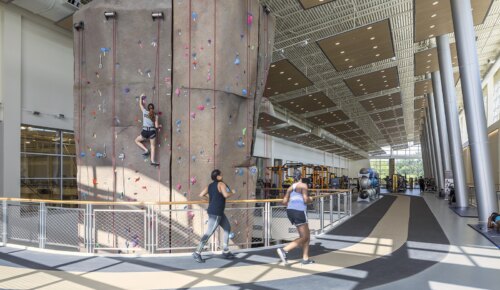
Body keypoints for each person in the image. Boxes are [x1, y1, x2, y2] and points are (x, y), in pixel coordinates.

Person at [192, 169, 236, 263]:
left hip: (217, 211)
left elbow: (201, 195)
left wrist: (212, 198)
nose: (222, 175)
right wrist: (232, 192)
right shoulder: (221, 184)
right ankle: (197, 252)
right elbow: (225, 195)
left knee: (227, 228)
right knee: (209, 232)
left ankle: (225, 251)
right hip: (216, 212)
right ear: (218, 176)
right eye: (221, 174)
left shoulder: (210, 185)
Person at [276, 170, 314, 265]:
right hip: (299, 211)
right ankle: (284, 250)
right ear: (301, 177)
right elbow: (305, 200)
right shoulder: (303, 185)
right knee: (304, 237)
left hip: (290, 211)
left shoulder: (290, 188)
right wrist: (311, 199)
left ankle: (305, 259)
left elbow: (284, 202)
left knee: (306, 235)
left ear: (293, 178)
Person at [135, 93, 160, 166]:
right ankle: (152, 161)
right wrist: (159, 125)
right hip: (152, 132)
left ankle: (146, 150)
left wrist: (140, 97)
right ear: (153, 109)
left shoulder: (145, 112)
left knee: (136, 140)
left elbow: (141, 105)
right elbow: (156, 126)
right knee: (153, 146)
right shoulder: (155, 116)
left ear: (148, 108)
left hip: (145, 132)